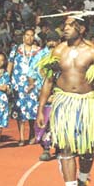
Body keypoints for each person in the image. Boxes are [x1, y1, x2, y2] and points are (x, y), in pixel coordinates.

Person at [36, 11, 94, 186]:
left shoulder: (92, 51)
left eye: (70, 25)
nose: (65, 29)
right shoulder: (58, 51)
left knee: (87, 150)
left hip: (86, 104)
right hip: (63, 102)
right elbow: (48, 80)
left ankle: (82, 179)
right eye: (65, 25)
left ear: (81, 29)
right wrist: (40, 109)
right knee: (65, 148)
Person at [29, 31, 61, 161]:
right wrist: (35, 88)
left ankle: (59, 147)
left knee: (59, 121)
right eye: (50, 40)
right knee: (45, 121)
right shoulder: (40, 55)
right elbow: (31, 73)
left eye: (54, 40)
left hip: (60, 93)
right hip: (43, 93)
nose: (52, 43)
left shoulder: (63, 54)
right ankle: (46, 149)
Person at [7, 28, 42, 146]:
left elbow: (41, 68)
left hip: (33, 84)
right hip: (18, 84)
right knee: (20, 110)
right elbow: (10, 65)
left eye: (32, 35)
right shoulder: (16, 50)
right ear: (23, 37)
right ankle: (21, 137)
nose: (29, 38)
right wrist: (7, 80)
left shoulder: (38, 51)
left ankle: (32, 133)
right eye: (27, 35)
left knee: (32, 109)